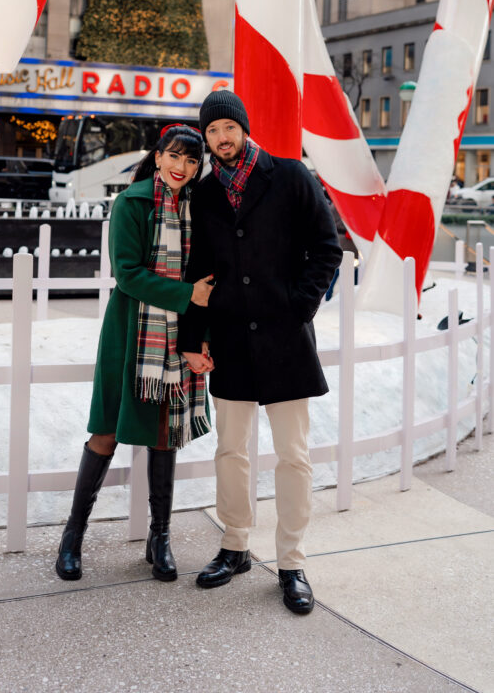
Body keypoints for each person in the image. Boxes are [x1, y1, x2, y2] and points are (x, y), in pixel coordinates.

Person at [179, 90, 342, 614]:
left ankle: (292, 562)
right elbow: (199, 269)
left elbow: (327, 247)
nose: (221, 138)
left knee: (293, 454)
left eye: (228, 127)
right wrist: (193, 338)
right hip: (230, 339)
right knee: (231, 450)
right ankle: (234, 546)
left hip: (285, 338)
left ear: (244, 129)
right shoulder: (205, 193)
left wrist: (299, 306)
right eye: (212, 131)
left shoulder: (290, 176)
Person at [55, 124, 215, 583]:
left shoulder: (199, 208)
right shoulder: (132, 203)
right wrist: (187, 295)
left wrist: (200, 335)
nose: (181, 167)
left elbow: (208, 278)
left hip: (177, 336)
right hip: (130, 334)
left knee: (164, 435)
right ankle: (72, 536)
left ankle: (159, 537)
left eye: (191, 160)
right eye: (174, 156)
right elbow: (126, 274)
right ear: (158, 156)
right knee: (105, 432)